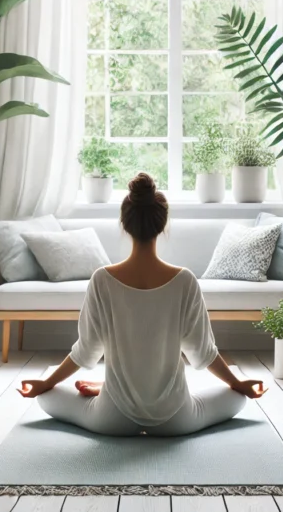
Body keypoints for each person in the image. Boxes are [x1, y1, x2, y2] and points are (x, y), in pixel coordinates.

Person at [17, 173, 267, 436]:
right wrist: (239, 383)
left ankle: (106, 389)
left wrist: (45, 383)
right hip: (176, 419)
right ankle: (106, 388)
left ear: (124, 224)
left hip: (112, 418)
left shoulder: (102, 279)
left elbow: (86, 352)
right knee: (238, 396)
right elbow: (204, 353)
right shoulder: (185, 281)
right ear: (163, 224)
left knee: (45, 396)